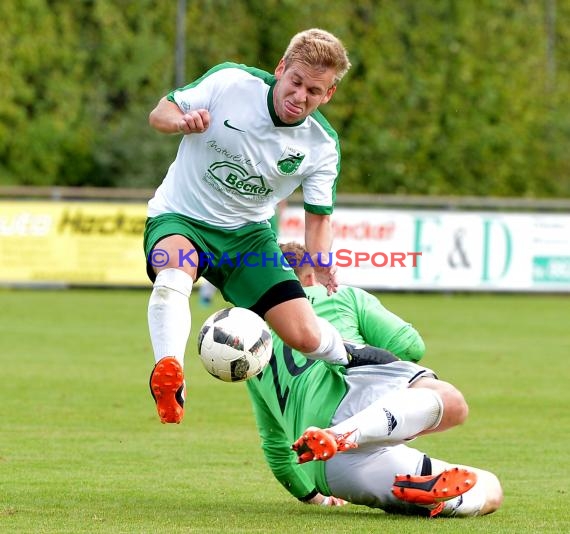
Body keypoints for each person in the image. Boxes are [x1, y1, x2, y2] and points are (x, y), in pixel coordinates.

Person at [144, 29, 355, 424]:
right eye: (295, 82)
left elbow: (319, 216)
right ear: (280, 69)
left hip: (249, 239)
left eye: (314, 90)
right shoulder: (231, 82)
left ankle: (356, 363)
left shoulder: (322, 144)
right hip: (181, 216)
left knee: (305, 335)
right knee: (174, 274)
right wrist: (181, 122)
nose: (300, 96)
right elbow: (160, 112)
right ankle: (170, 376)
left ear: (329, 95)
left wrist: (322, 260)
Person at [246, 323, 504, 518]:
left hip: (329, 472)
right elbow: (410, 344)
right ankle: (348, 432)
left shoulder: (255, 366)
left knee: (488, 486)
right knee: (451, 403)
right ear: (310, 277)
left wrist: (315, 497)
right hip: (354, 401)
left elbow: (275, 450)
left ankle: (445, 502)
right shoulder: (337, 296)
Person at [279, 241, 426, 362]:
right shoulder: (341, 295)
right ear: (311, 277)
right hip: (357, 390)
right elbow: (412, 348)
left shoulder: (261, 323)